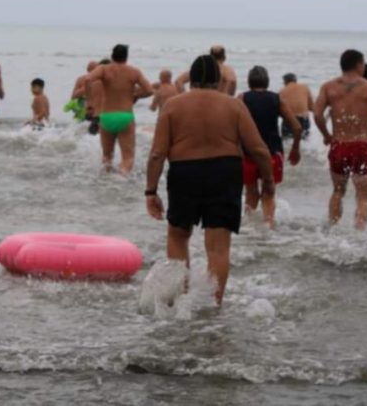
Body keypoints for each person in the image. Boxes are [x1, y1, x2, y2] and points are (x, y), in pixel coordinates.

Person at [145, 55, 273, 305]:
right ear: (218, 79)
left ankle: (179, 299)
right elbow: (258, 150)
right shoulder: (234, 106)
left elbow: (157, 154)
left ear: (191, 79)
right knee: (218, 247)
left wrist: (150, 191)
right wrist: (267, 181)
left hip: (184, 173)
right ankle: (213, 306)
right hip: (224, 173)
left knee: (178, 236)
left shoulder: (173, 105)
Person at [314, 50, 367, 230]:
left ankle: (332, 229)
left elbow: (318, 114)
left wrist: (326, 135)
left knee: (338, 192)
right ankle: (359, 234)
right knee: (363, 197)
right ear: (359, 65)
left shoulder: (328, 87)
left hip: (339, 145)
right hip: (362, 146)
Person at [239, 66, 302, 228]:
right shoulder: (277, 99)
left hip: (248, 153)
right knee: (269, 192)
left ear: (249, 81)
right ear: (266, 81)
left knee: (251, 192)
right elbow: (296, 127)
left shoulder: (242, 99)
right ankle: (269, 226)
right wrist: (295, 149)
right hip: (272, 153)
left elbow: (232, 126)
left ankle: (249, 228)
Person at [83, 44, 153, 174]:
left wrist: (89, 102)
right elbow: (149, 90)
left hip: (106, 117)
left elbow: (87, 79)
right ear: (126, 57)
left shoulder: (103, 69)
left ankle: (106, 183)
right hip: (125, 117)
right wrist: (136, 95)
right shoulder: (134, 72)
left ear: (112, 56)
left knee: (107, 157)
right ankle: (121, 181)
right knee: (127, 158)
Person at [279, 73, 313, 140]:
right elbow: (311, 107)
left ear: (285, 82)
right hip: (304, 118)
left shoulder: (282, 91)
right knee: (304, 142)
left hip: (289, 119)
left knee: (287, 142)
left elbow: (280, 110)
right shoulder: (305, 88)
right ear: (295, 80)